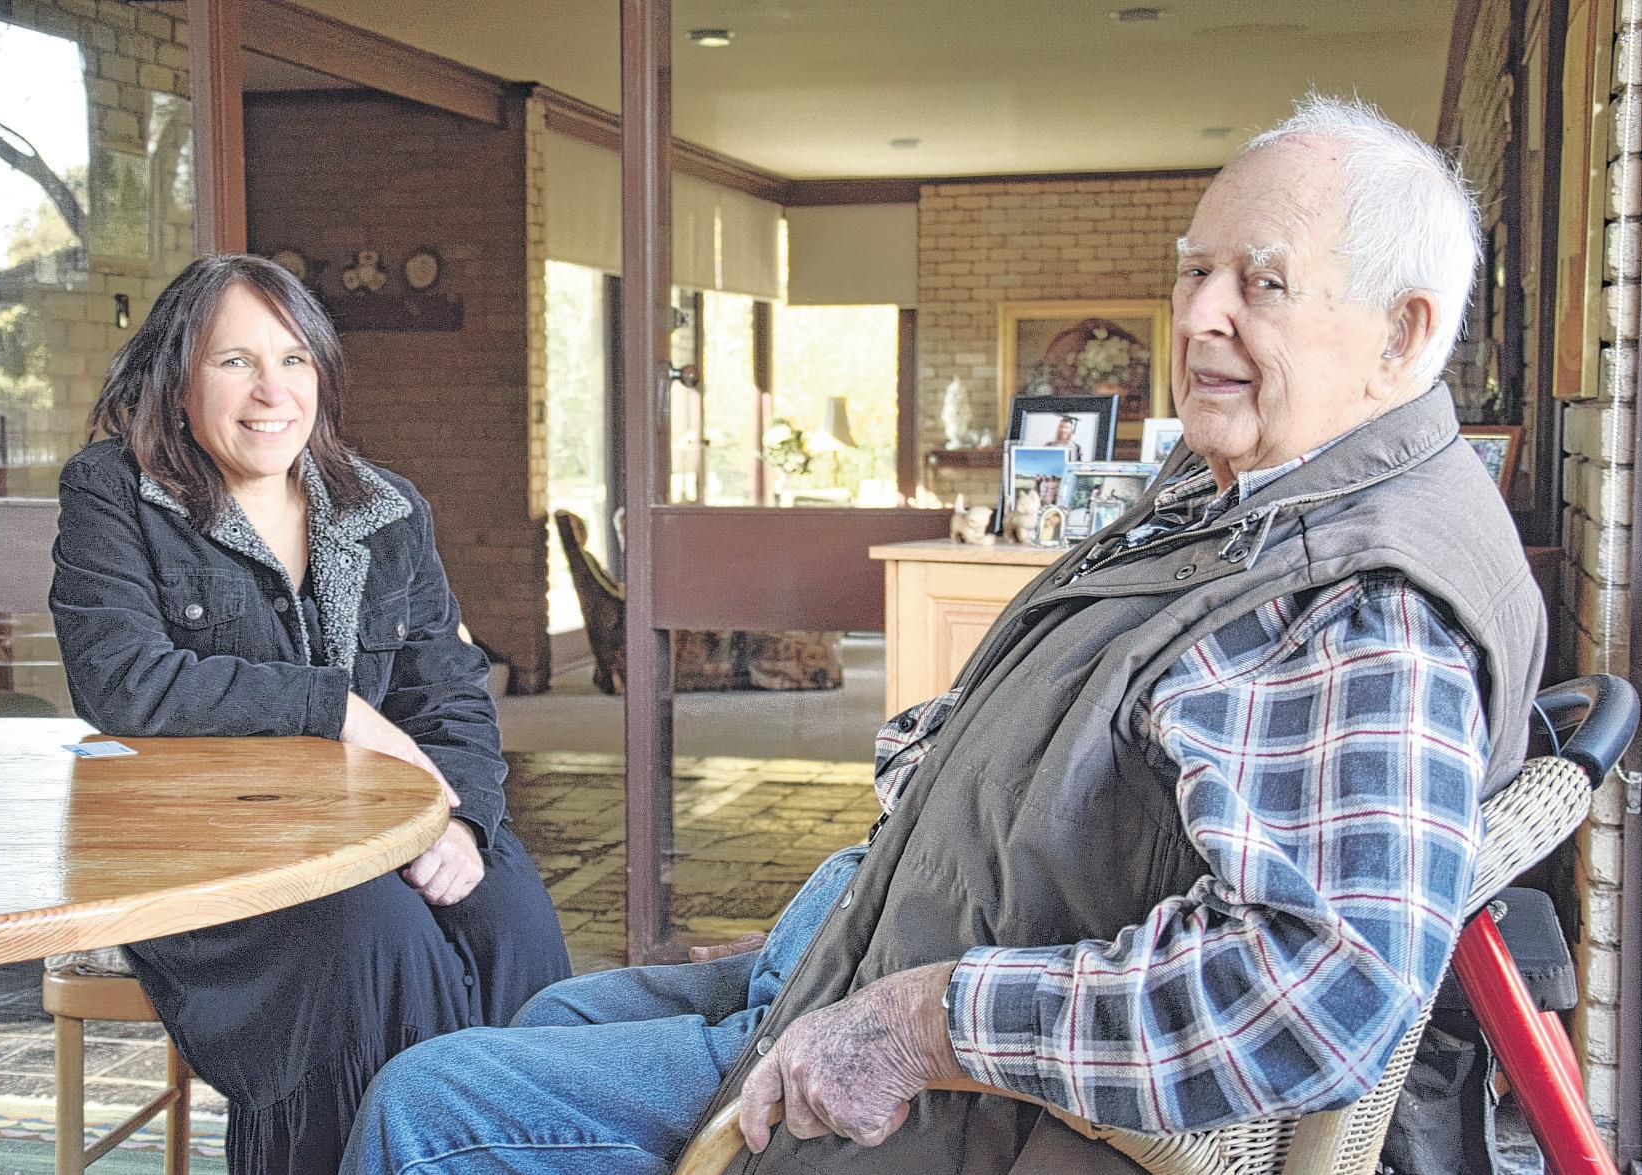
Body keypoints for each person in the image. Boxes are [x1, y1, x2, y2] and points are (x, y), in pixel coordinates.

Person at [342, 94, 1546, 1175]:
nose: (1197, 313)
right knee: (552, 1017)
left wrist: (919, 1021)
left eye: (1260, 282)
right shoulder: (1254, 492)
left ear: (1400, 333)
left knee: (427, 1102)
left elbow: (1312, 991)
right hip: (867, 947)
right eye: (1192, 271)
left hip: (943, 1094)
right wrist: (895, 854)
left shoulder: (1360, 601)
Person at [49, 254, 571, 1175]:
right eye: (234, 362)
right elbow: (124, 679)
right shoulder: (115, 491)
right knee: (373, 940)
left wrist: (462, 822)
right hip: (210, 849)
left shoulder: (385, 507)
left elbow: (447, 691)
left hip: (374, 821)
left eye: (293, 359)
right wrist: (334, 710)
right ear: (176, 379)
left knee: (510, 917)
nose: (271, 391)